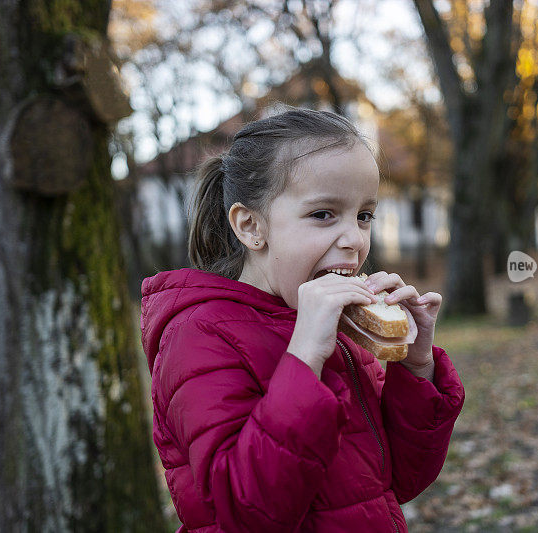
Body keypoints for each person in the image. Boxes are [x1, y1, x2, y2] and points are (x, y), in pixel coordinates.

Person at [140, 107, 465, 532]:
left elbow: (399, 480)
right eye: (323, 214)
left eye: (364, 215)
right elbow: (247, 512)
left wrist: (415, 366)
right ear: (251, 225)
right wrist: (305, 357)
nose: (353, 239)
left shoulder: (342, 333)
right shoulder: (198, 336)